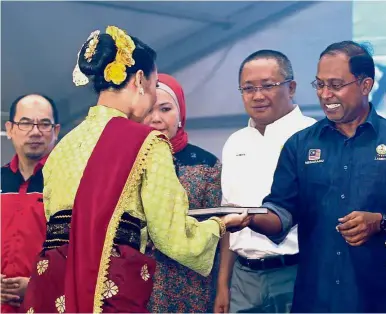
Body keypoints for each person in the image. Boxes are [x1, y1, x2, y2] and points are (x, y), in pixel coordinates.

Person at [18, 26, 250, 314]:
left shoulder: (64, 145)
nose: (153, 99)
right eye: (153, 86)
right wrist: (222, 224)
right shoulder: (147, 144)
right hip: (109, 288)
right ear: (140, 79)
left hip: (55, 284)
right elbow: (173, 236)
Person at [237, 40, 386, 312]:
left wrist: (382, 222)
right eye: (320, 84)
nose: (325, 94)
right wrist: (247, 217)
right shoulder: (300, 145)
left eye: (335, 85)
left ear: (366, 85)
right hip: (317, 298)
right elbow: (281, 213)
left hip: (382, 299)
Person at [214, 50, 316, 313]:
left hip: (299, 271)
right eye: (248, 88)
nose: (257, 96)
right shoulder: (235, 142)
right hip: (244, 277)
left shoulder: (314, 136)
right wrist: (223, 285)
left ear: (291, 87)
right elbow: (229, 217)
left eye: (268, 86)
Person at [143, 73, 223, 313]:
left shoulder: (207, 164)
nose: (156, 119)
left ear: (180, 115)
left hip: (192, 284)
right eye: (148, 110)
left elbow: (218, 230)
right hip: (138, 279)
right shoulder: (126, 161)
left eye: (165, 109)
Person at [1, 94, 60, 312]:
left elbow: (84, 252)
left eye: (44, 124)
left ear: (56, 131)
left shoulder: (70, 182)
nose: (35, 132)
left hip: (49, 305)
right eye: (25, 123)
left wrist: (39, 284)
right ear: (10, 128)